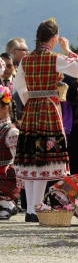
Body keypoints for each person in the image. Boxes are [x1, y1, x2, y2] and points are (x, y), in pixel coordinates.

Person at [14, 19, 78, 222]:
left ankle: (30, 208)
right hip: (48, 108)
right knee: (44, 158)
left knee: (31, 158)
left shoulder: (25, 60)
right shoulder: (54, 58)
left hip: (31, 109)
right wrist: (69, 50)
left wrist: (30, 100)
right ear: (54, 38)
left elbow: (19, 87)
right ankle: (36, 208)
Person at [0, 65, 20, 219]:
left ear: (4, 108)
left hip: (6, 177)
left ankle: (9, 204)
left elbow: (17, 160)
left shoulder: (11, 131)